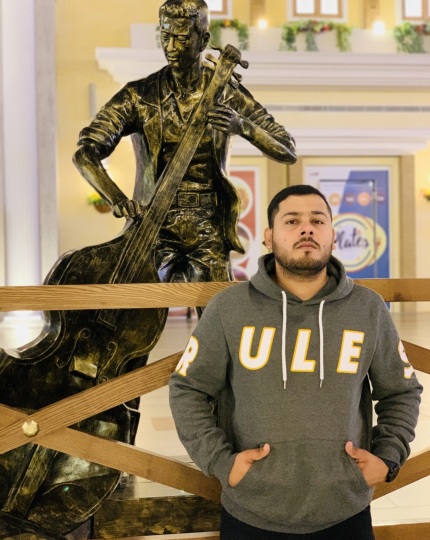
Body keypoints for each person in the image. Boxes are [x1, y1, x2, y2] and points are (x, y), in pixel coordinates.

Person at [169, 184, 423, 539]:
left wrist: (389, 456)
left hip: (345, 509)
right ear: (269, 237)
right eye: (292, 221)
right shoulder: (229, 307)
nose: (307, 229)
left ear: (333, 236)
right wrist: (220, 462)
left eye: (318, 221)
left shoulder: (368, 308)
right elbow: (188, 388)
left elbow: (401, 391)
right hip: (251, 511)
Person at [73, 0, 296, 286]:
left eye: (181, 38)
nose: (171, 47)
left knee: (217, 309)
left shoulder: (226, 93)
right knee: (139, 306)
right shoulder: (139, 96)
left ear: (203, 39)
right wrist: (116, 198)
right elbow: (86, 153)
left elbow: (287, 148)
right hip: (153, 223)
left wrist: (243, 126)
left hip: (207, 226)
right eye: (165, 36)